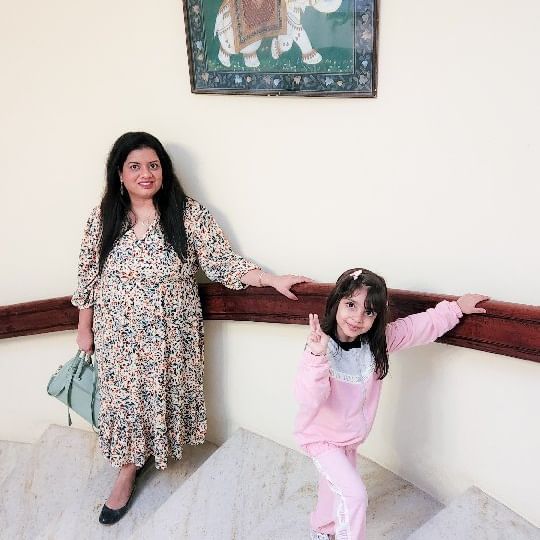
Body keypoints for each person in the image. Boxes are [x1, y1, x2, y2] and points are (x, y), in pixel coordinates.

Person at [72, 131, 311, 525]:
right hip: (117, 336)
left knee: (160, 395)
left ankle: (152, 451)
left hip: (172, 335)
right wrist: (85, 328)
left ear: (164, 170)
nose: (146, 174)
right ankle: (127, 470)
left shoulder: (188, 214)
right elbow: (87, 277)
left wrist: (270, 279)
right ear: (119, 173)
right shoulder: (104, 218)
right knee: (125, 402)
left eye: (153, 165)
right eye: (135, 166)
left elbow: (223, 262)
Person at [294, 268, 489, 540]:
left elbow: (418, 327)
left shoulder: (377, 344)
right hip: (321, 438)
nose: (358, 317)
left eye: (369, 312)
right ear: (336, 302)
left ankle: (321, 529)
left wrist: (456, 308)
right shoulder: (321, 349)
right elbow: (308, 399)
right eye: (351, 305)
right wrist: (317, 357)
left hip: (348, 439)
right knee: (354, 495)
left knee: (334, 487)